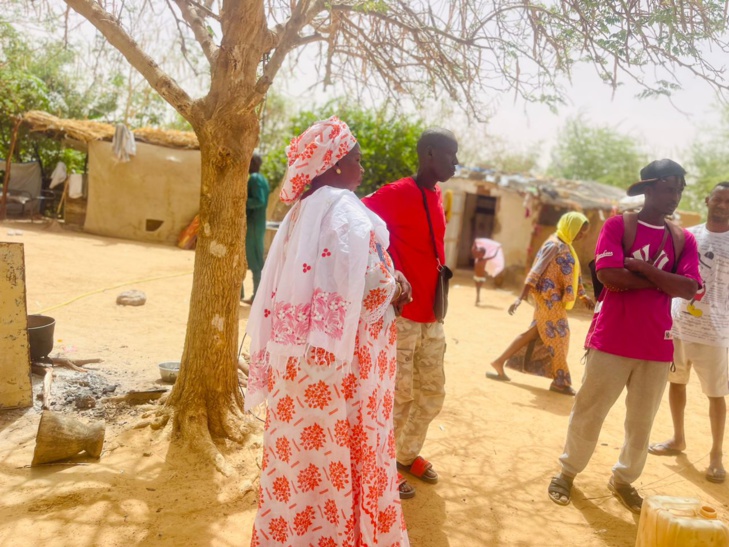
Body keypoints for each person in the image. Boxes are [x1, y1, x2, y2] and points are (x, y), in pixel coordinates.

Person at [245, 117, 412, 546]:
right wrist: (398, 285)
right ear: (335, 164)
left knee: (302, 460)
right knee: (344, 450)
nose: (361, 167)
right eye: (355, 159)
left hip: (298, 364)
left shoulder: (300, 211)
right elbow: (370, 283)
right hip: (342, 365)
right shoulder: (345, 210)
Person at [547, 159, 701, 514]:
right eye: (668, 189)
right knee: (590, 411)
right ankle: (567, 472)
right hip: (612, 339)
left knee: (641, 421)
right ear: (647, 189)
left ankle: (623, 480)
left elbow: (691, 288)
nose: (675, 197)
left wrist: (645, 268)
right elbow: (610, 276)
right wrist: (665, 280)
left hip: (657, 346)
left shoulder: (683, 238)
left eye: (679, 190)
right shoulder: (619, 225)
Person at [362, 128, 458, 499]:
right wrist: (387, 271)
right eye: (450, 154)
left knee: (432, 393)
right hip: (401, 316)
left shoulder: (435, 195)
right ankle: (381, 467)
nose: (455, 162)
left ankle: (405, 455)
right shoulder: (396, 193)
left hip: (433, 316)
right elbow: (358, 218)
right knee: (396, 398)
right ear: (429, 153)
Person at [648, 181, 729, 484]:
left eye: (728, 202)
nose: (722, 205)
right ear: (708, 201)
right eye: (718, 199)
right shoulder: (688, 237)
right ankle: (678, 438)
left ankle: (717, 455)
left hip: (716, 333)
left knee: (716, 394)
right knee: (676, 383)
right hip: (679, 326)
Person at [487, 212, 594, 395]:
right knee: (560, 337)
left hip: (555, 301)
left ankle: (499, 362)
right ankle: (560, 381)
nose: (582, 235)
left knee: (533, 333)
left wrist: (583, 296)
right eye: (580, 231)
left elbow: (573, 275)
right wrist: (520, 298)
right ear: (571, 227)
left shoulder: (566, 246)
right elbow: (535, 272)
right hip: (547, 300)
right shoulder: (553, 245)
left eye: (584, 232)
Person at [241, 153, 270, 304]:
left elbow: (259, 200)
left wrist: (240, 200)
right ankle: (241, 294)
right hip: (257, 224)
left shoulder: (255, 179)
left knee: (256, 262)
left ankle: (257, 296)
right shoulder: (262, 179)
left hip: (253, 224)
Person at [471, 238, 504, 305]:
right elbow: (473, 250)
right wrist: (475, 243)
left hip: (481, 277)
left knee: (478, 287)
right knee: (477, 288)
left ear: (483, 255)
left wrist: (498, 248)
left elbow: (493, 256)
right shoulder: (476, 258)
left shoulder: (484, 260)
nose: (478, 255)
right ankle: (478, 298)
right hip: (476, 276)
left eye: (480, 254)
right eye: (477, 253)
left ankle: (477, 298)